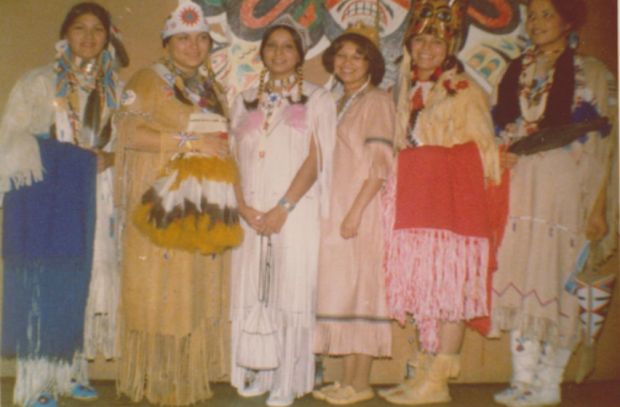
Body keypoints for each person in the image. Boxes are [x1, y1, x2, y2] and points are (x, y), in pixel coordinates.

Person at [489, 0, 618, 406]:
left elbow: (605, 147)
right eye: (532, 15)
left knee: (558, 282)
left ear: (568, 20)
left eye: (547, 14)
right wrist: (502, 153)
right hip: (521, 190)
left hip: (566, 196)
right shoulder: (514, 71)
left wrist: (597, 208)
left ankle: (548, 384)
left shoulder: (593, 73)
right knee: (520, 278)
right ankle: (523, 379)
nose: (537, 22)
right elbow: (500, 129)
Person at [0, 3, 127, 406]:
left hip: (97, 195)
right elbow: (12, 141)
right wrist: (68, 158)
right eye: (79, 29)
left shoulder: (117, 89)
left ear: (109, 37)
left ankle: (71, 371)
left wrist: (112, 158)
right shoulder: (38, 82)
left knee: (84, 281)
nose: (89, 37)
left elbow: (126, 143)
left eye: (97, 30)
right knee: (47, 283)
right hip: (49, 201)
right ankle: (37, 383)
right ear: (65, 34)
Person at [380, 0, 501, 404]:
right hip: (415, 203)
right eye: (420, 40)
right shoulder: (403, 89)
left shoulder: (465, 91)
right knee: (424, 288)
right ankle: (424, 369)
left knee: (450, 289)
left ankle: (439, 379)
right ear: (410, 44)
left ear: (449, 46)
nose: (427, 47)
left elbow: (484, 153)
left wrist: (430, 160)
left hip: (450, 205)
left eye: (437, 40)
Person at [113, 1, 234, 405]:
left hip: (202, 208)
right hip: (159, 207)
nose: (193, 46)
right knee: (160, 292)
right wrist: (188, 142)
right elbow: (128, 134)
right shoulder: (148, 79)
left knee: (192, 292)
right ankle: (159, 382)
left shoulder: (209, 87)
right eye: (184, 38)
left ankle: (185, 380)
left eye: (201, 39)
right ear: (167, 42)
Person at [229, 14, 337, 407]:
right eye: (271, 46)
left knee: (289, 290)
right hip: (251, 211)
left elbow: (316, 158)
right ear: (261, 54)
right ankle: (257, 368)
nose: (278, 53)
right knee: (254, 289)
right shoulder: (243, 100)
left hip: (294, 212)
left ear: (300, 55)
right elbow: (232, 159)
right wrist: (242, 204)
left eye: (287, 46)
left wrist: (283, 207)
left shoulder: (317, 97)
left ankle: (286, 379)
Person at [312, 22, 395, 405]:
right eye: (341, 55)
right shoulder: (336, 100)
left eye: (357, 56)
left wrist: (355, 213)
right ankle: (347, 379)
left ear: (371, 63)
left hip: (360, 210)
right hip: (335, 210)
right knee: (343, 292)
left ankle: (360, 384)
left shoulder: (376, 100)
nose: (347, 62)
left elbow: (380, 166)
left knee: (362, 291)